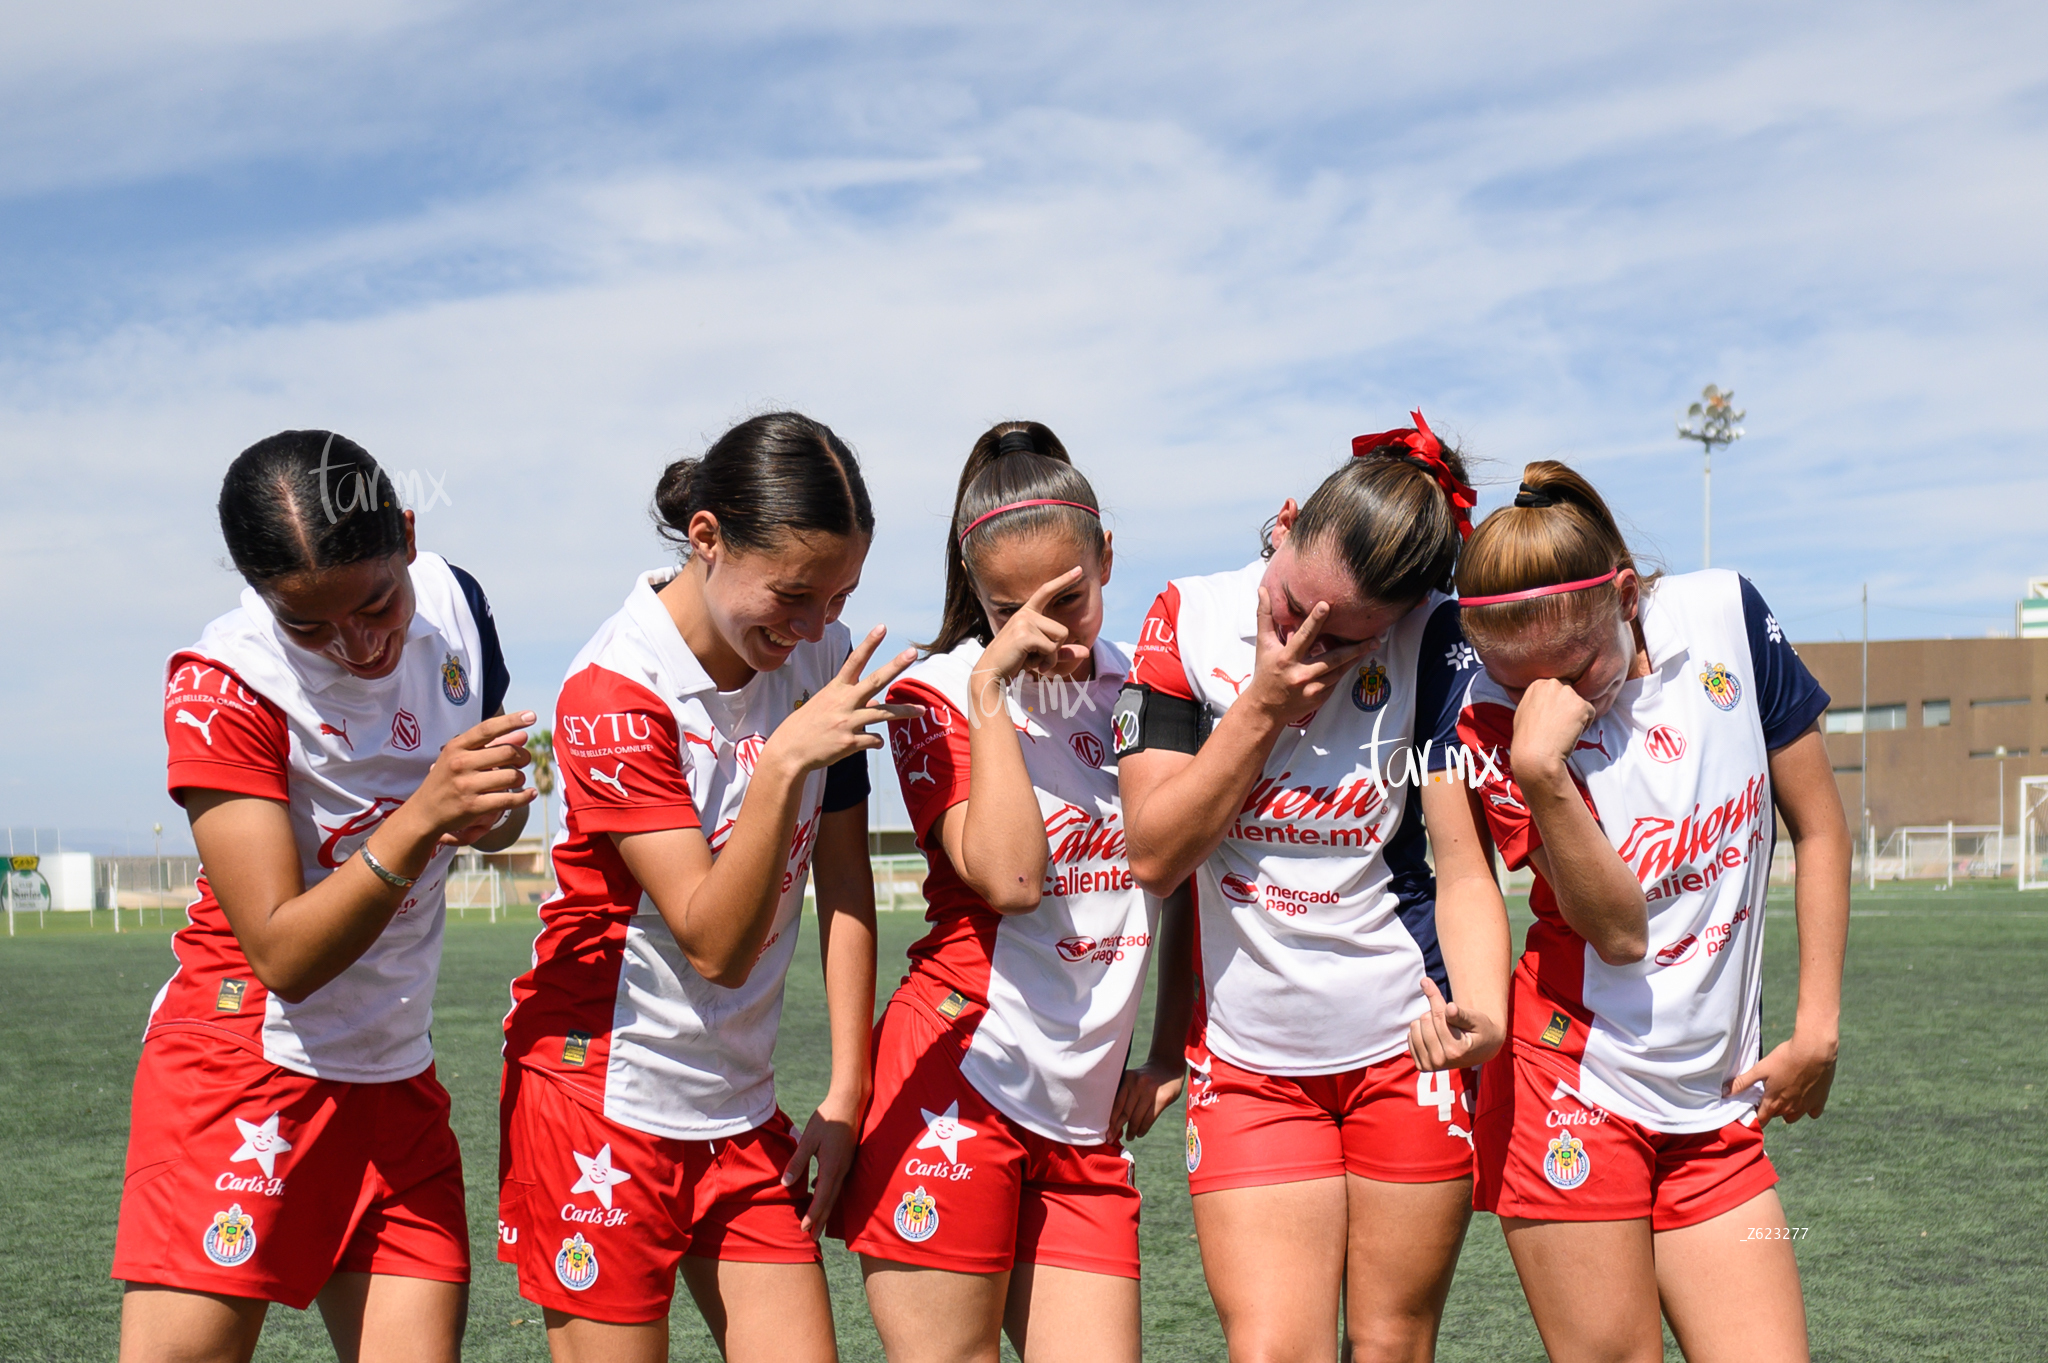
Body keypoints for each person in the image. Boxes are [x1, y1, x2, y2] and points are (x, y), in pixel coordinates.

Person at [497, 412, 911, 1363]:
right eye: (795, 594)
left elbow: (843, 882)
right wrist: (779, 766)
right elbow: (715, 944)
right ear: (708, 538)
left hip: (735, 1105)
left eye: (839, 596)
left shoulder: (817, 655)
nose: (814, 628)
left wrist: (848, 1087)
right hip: (597, 1098)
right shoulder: (614, 688)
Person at [116, 430, 532, 1363]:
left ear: (410, 537)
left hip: (394, 1071)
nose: (358, 642)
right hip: (246, 1063)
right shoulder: (224, 683)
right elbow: (283, 954)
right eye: (310, 624)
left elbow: (492, 822)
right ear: (263, 598)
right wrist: (426, 812)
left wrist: (491, 807)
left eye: (377, 600)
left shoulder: (461, 608)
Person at [1115, 413, 1510, 1363]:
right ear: (1284, 524)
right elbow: (1156, 856)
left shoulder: (1439, 642)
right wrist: (1259, 706)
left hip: (1405, 1048)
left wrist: (1484, 1014)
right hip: (1249, 1065)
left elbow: (1461, 869)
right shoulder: (1188, 616)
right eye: (1294, 603)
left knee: (1389, 1344)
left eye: (1346, 636)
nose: (1305, 639)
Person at [1453, 462, 1846, 1363]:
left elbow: (1819, 828)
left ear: (1625, 593)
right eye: (1523, 682)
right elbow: (1618, 930)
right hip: (1573, 1091)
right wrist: (1541, 772)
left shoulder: (1729, 617)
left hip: (1716, 1104)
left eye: (1577, 667)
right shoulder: (1492, 722)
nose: (1556, 701)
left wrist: (1817, 1026)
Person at [833, 422, 1194, 1363]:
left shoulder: (1152, 688)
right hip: (959, 1082)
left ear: (1107, 555)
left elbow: (1182, 869)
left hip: (1084, 1117)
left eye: (1069, 599)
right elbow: (1012, 878)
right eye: (1008, 610)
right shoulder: (939, 693)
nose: (1044, 630)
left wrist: (1166, 1048)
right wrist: (992, 686)